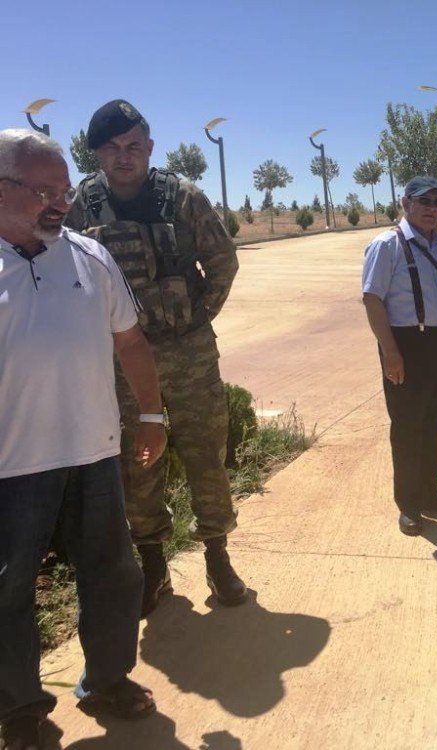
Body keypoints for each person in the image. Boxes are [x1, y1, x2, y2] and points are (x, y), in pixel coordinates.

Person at [0, 129, 165, 749]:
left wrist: (151, 416)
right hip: (11, 465)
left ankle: (107, 679)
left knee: (112, 574)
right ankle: (20, 711)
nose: (60, 204)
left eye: (66, 192)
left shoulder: (91, 258)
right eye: (45, 191)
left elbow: (129, 339)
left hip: (94, 452)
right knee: (9, 591)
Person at [64, 100, 245, 616]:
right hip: (123, 363)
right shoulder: (82, 206)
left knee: (205, 453)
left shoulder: (183, 198)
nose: (125, 157)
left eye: (134, 146)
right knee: (137, 462)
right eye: (113, 148)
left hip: (187, 354)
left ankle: (217, 557)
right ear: (98, 152)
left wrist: (196, 317)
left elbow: (222, 261)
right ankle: (154, 566)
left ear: (149, 147)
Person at [362, 176, 437, 536]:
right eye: (424, 202)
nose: (432, 209)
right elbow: (372, 300)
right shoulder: (386, 245)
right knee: (409, 429)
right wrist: (390, 353)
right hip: (407, 346)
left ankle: (430, 490)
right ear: (405, 203)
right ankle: (408, 504)